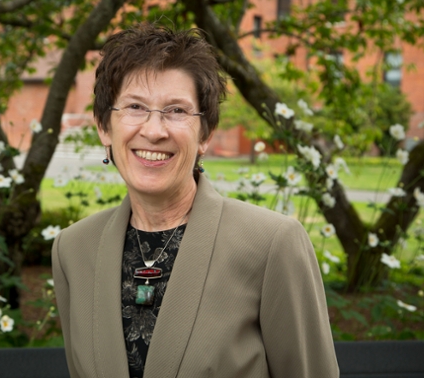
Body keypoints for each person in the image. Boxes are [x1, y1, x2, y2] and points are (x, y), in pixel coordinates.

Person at [52, 24, 339, 378]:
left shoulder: (271, 246)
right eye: (135, 107)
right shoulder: (73, 249)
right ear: (104, 127)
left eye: (176, 111)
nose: (154, 131)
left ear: (205, 133)